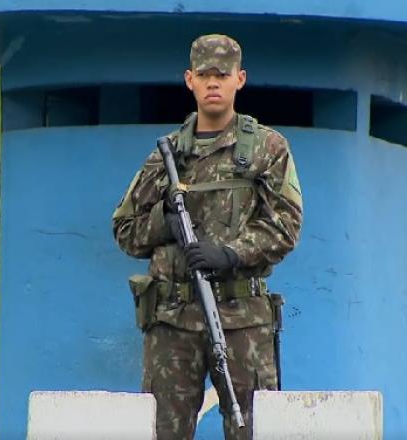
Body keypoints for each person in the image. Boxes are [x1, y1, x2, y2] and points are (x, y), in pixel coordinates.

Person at [111, 34, 303, 439]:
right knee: (164, 431)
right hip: (172, 322)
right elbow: (125, 230)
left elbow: (286, 226)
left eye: (222, 74)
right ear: (189, 80)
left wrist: (230, 254)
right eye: (204, 75)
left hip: (240, 320)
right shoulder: (166, 155)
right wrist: (165, 221)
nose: (213, 83)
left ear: (240, 79)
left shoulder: (267, 148)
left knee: (250, 429)